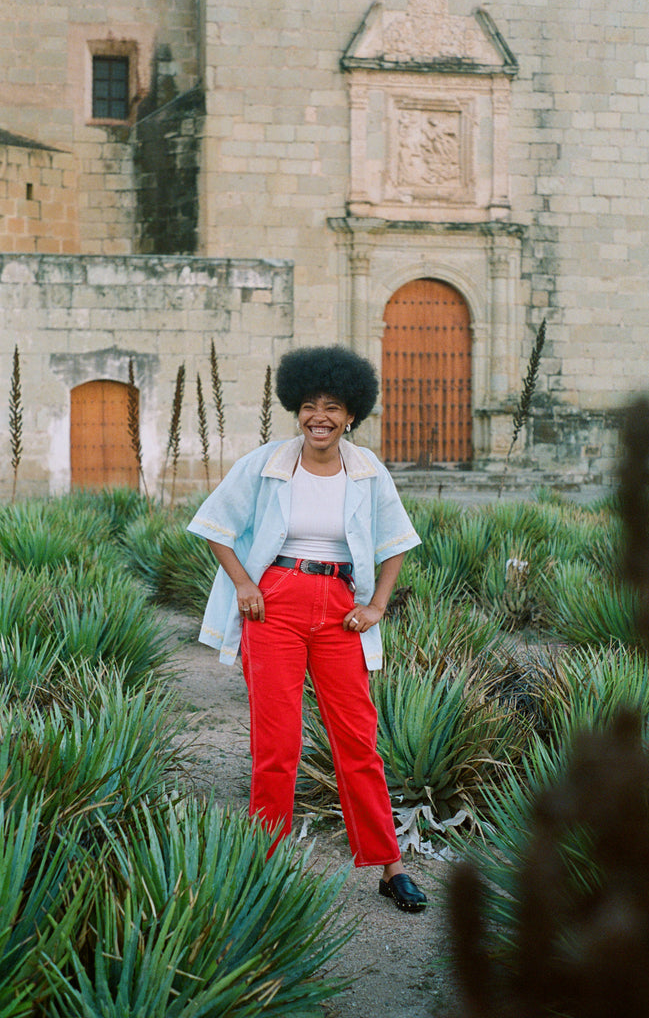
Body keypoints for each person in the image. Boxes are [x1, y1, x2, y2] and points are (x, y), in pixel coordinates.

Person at [187, 344, 427, 912]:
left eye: (333, 407)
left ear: (351, 416)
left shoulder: (368, 471)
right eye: (309, 406)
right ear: (296, 407)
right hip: (276, 606)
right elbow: (216, 524)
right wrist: (246, 585)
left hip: (341, 607)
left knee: (357, 740)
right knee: (277, 743)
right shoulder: (268, 462)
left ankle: (389, 866)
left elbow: (395, 543)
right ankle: (262, 864)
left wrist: (378, 607)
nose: (319, 417)